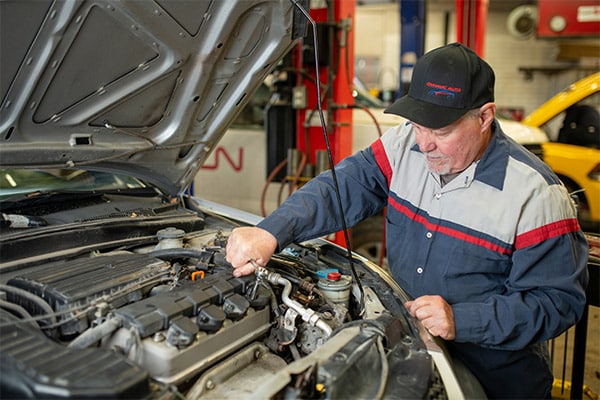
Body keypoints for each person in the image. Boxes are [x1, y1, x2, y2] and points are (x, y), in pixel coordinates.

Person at [225, 42, 589, 398]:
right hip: (411, 354)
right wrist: (271, 232)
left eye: (441, 130)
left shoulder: (536, 195)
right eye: (418, 126)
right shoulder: (403, 145)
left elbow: (556, 302)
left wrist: (461, 320)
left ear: (485, 117)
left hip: (495, 379)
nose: (424, 144)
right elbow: (343, 186)